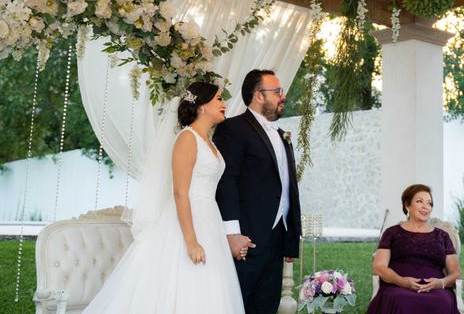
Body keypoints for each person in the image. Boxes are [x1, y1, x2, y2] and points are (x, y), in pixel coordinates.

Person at [84, 82, 245, 313]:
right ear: (201, 106)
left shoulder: (210, 142)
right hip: (187, 221)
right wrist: (190, 241)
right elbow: (180, 192)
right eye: (219, 99)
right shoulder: (187, 138)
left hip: (210, 220)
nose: (224, 104)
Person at [214, 69, 302, 314]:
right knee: (239, 303)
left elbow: (288, 188)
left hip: (276, 237)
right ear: (258, 96)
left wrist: (291, 238)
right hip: (246, 239)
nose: (282, 96)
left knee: (267, 305)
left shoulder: (281, 135)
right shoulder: (233, 129)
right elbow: (226, 180)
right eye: (277, 91)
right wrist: (232, 233)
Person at [367, 184, 462, 314]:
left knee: (443, 302)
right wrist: (402, 281)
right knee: (401, 300)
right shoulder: (392, 233)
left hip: (436, 289)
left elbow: (456, 273)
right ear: (407, 205)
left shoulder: (443, 236)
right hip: (397, 286)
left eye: (429, 203)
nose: (426, 207)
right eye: (419, 201)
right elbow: (379, 267)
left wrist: (440, 283)